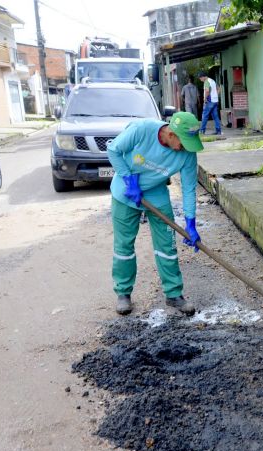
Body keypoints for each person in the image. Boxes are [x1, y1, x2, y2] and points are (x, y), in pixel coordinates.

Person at [107, 112, 204, 316]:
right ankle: (123, 293)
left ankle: (174, 294)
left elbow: (188, 188)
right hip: (126, 193)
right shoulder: (142, 129)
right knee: (124, 245)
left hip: (156, 194)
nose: (185, 148)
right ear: (171, 134)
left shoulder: (187, 154)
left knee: (167, 245)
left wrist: (190, 222)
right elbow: (113, 149)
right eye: (183, 143)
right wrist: (127, 179)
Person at [198, 71, 222, 135]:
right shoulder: (212, 80)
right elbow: (219, 88)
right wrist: (216, 95)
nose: (200, 80)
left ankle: (202, 131)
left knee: (204, 116)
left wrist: (205, 99)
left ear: (203, 77)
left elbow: (207, 91)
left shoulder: (206, 82)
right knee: (215, 117)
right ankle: (218, 131)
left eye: (200, 78)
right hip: (215, 101)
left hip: (209, 101)